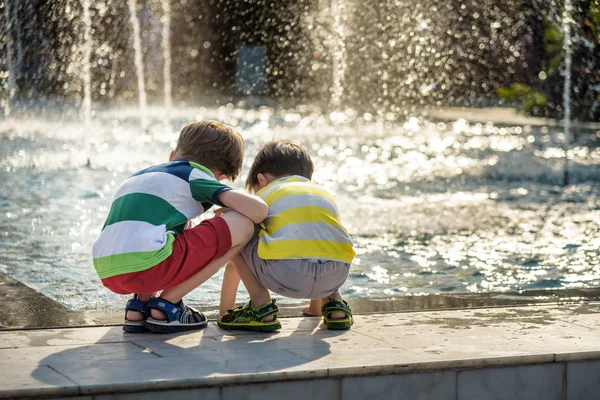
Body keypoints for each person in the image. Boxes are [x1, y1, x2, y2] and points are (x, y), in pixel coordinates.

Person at [92, 120, 267, 333]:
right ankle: (168, 306)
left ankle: (138, 307)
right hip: (147, 266)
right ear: (219, 176)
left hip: (108, 271)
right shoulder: (195, 174)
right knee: (243, 225)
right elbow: (259, 210)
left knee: (174, 223)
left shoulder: (141, 175)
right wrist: (232, 209)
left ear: (172, 155)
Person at [217, 139, 355, 332]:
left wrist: (225, 312)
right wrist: (314, 308)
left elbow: (234, 265)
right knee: (319, 236)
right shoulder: (321, 193)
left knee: (239, 228)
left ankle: (260, 306)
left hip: (288, 276)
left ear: (261, 180)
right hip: (336, 275)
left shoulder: (264, 195)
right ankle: (334, 307)